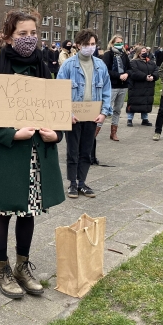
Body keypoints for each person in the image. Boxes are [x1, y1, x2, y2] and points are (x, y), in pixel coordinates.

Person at [0, 9, 65, 299]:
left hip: (37, 156)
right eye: (22, 34)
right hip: (7, 155)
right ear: (9, 37)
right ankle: (2, 269)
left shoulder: (44, 69)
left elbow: (56, 115)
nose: (29, 39)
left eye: (33, 33)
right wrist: (10, 134)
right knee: (2, 212)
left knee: (28, 212)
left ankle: (22, 266)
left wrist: (56, 134)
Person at [57, 29, 112, 199]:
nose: (90, 47)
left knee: (87, 151)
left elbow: (107, 90)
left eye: (93, 44)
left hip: (92, 115)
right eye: (86, 44)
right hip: (73, 116)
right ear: (78, 45)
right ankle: (72, 183)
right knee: (73, 151)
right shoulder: (68, 65)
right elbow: (59, 91)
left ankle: (82, 182)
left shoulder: (100, 65)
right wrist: (67, 112)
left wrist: (104, 113)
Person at [100, 34, 132, 141]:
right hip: (112, 85)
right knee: (105, 108)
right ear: (112, 43)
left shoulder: (124, 55)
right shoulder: (108, 55)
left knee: (117, 109)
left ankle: (113, 132)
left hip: (123, 86)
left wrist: (127, 74)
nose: (119, 44)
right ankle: (95, 130)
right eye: (117, 42)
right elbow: (105, 70)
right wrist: (118, 75)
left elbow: (129, 68)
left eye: (121, 42)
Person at [126, 46, 158, 127]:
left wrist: (153, 76)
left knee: (146, 103)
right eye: (143, 51)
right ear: (138, 53)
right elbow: (134, 72)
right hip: (136, 87)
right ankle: (129, 119)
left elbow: (156, 70)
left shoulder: (151, 62)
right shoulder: (133, 62)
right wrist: (145, 77)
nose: (145, 53)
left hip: (148, 87)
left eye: (145, 51)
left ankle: (145, 119)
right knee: (133, 103)